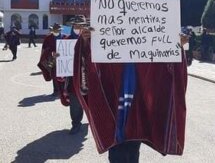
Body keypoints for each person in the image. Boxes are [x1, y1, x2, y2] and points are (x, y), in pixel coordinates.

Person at [72, 26, 189, 163]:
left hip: (139, 104)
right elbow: (90, 61)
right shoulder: (108, 32)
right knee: (118, 151)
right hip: (114, 105)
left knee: (133, 149)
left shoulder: (148, 35)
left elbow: (166, 66)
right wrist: (86, 41)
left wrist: (176, 47)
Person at [37, 23, 65, 96]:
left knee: (64, 75)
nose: (57, 31)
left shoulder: (64, 37)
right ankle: (56, 90)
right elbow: (44, 49)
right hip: (52, 60)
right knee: (54, 75)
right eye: (55, 30)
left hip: (64, 60)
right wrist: (52, 53)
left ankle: (63, 90)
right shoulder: (48, 38)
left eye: (58, 30)